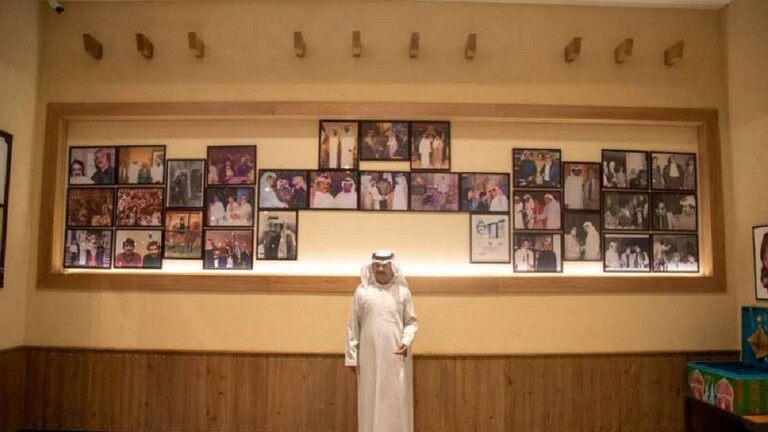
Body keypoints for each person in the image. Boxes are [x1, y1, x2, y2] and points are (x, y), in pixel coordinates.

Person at [346, 251, 419, 432]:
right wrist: (352, 358)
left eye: (384, 266)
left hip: (395, 358)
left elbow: (411, 322)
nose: (380, 269)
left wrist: (406, 341)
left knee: (396, 401)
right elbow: (353, 327)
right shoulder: (362, 292)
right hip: (369, 358)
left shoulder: (403, 293)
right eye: (376, 265)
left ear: (392, 268)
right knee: (369, 400)